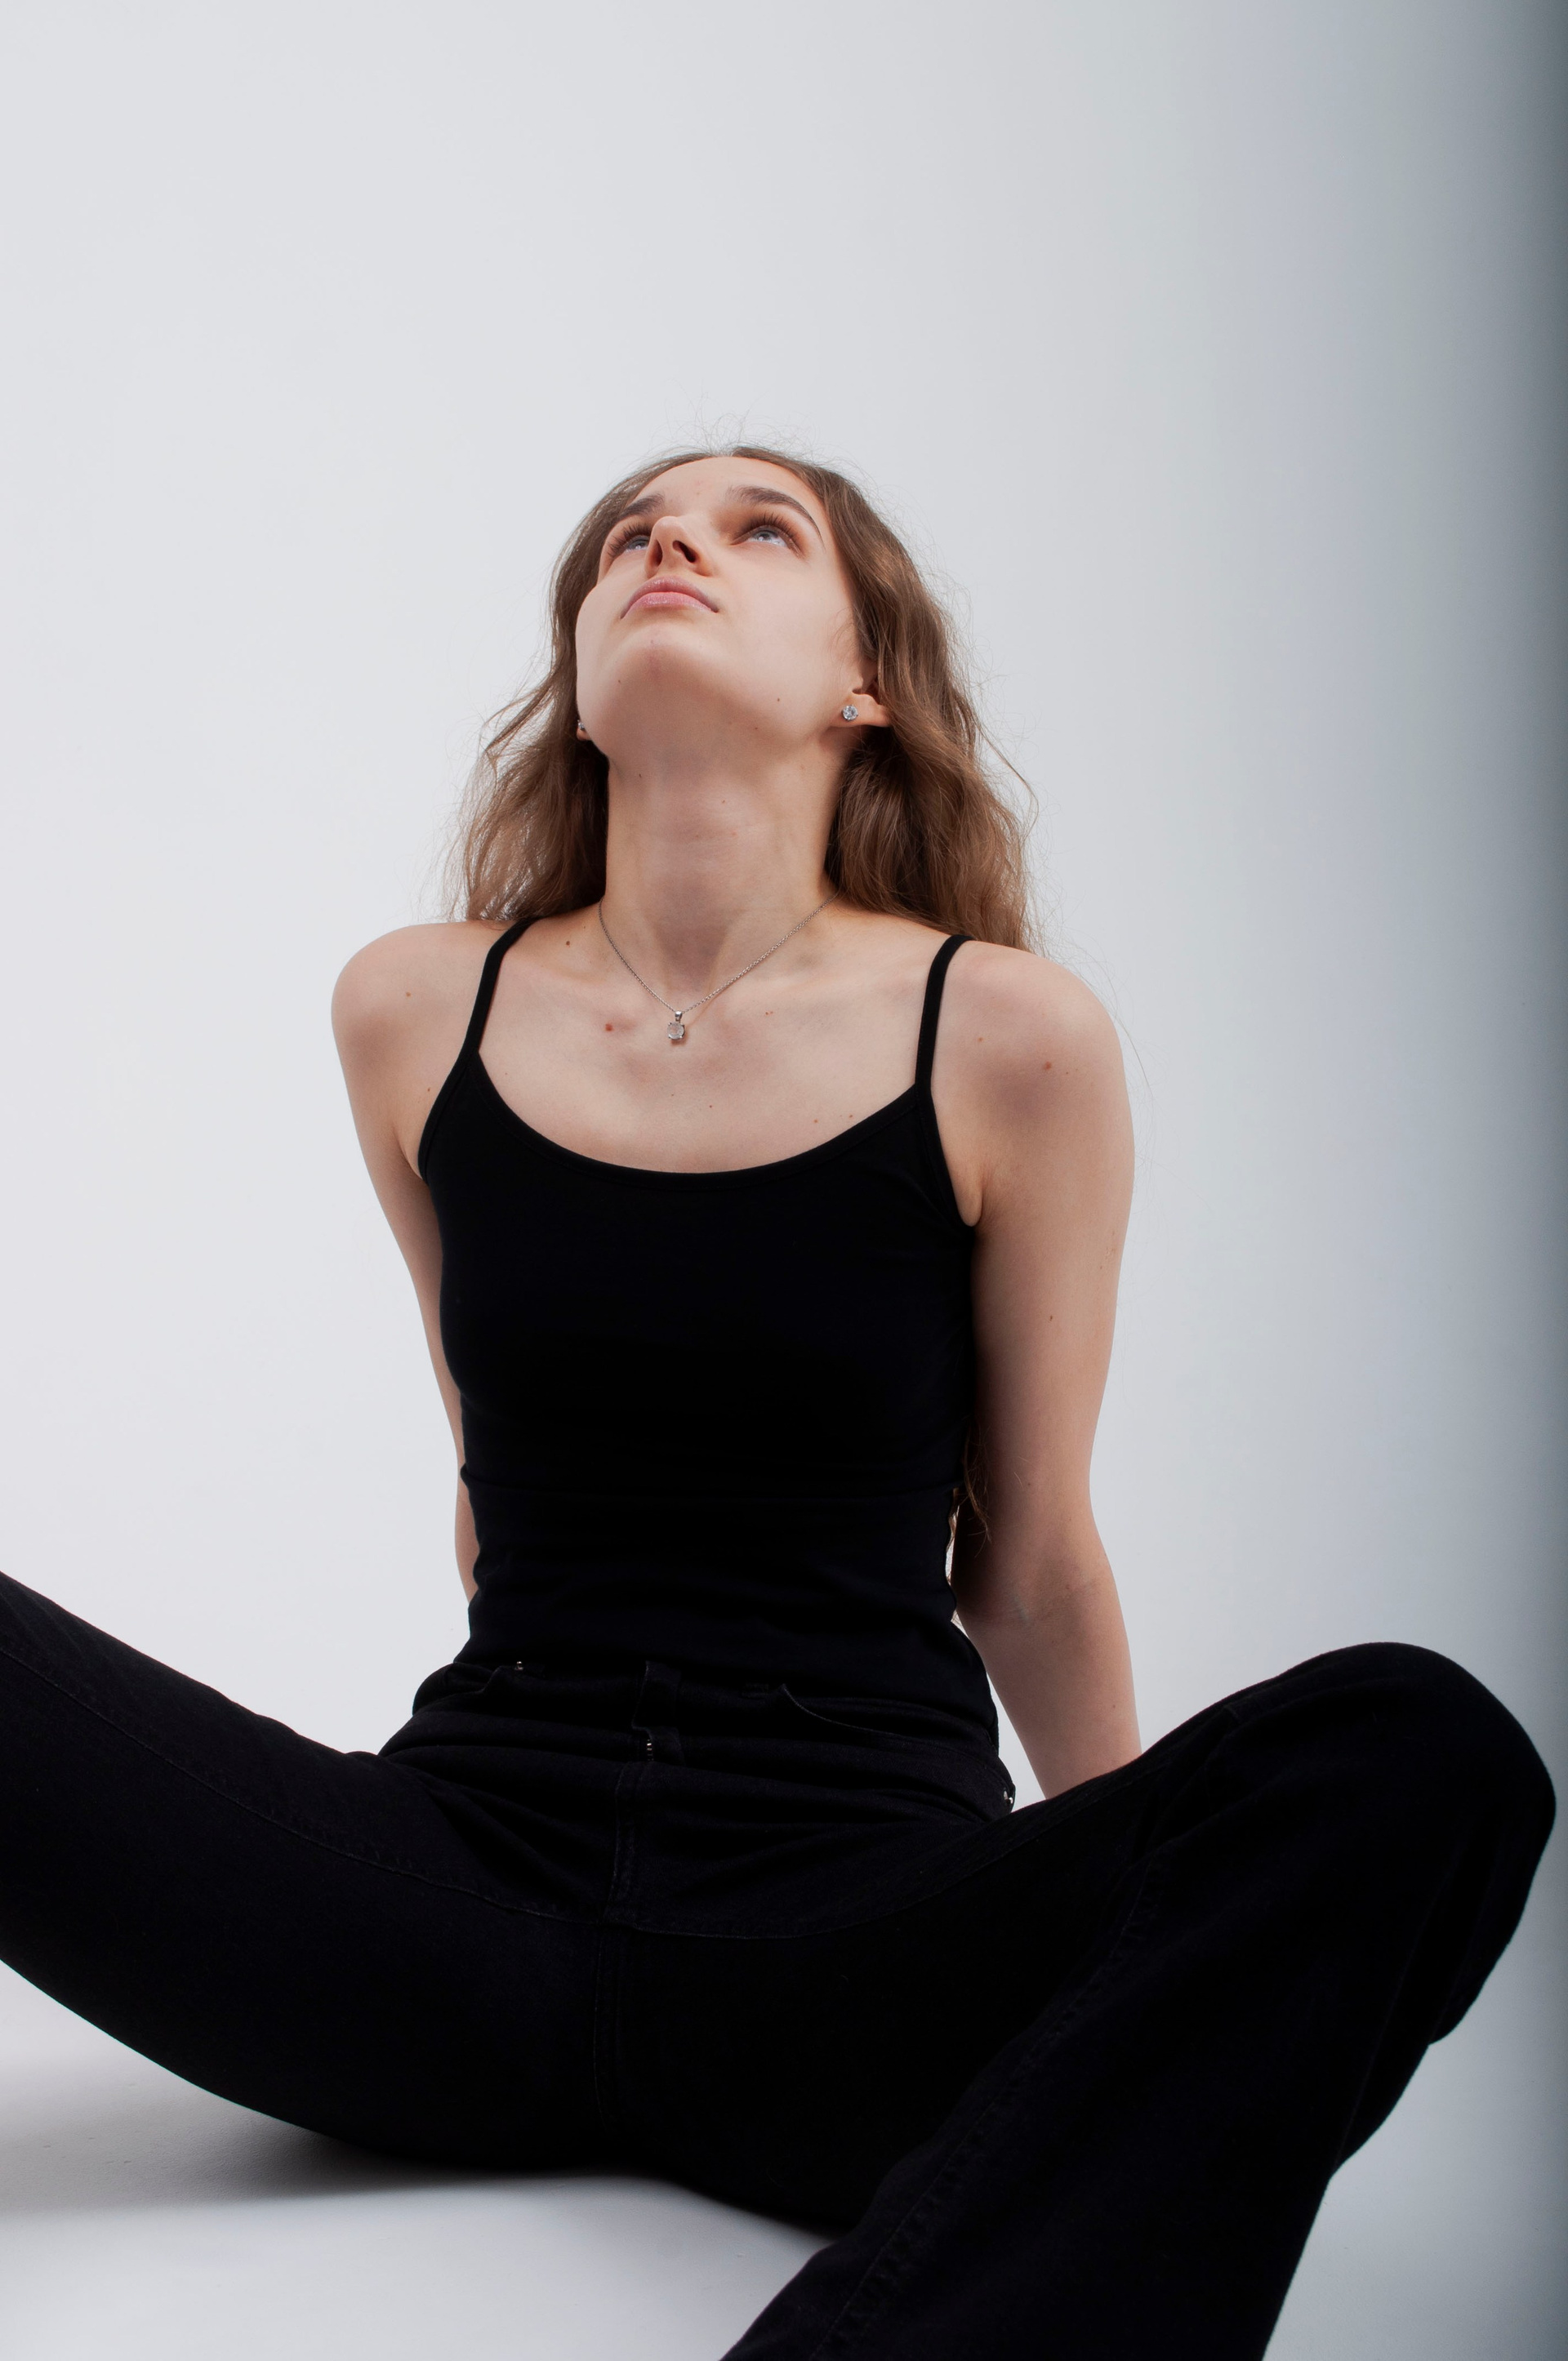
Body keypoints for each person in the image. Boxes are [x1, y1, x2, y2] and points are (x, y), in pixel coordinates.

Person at [0, 445, 1552, 2359]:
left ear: (865, 681)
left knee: (1419, 1748)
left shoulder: (1009, 1038)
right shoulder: (413, 1012)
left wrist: (1135, 1919)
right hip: (461, 1906)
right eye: (630, 537)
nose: (671, 540)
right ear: (581, 687)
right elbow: (491, 1485)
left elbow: (1032, 1564)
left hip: (857, 1931)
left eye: (760, 529)